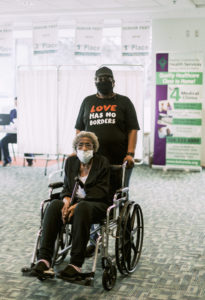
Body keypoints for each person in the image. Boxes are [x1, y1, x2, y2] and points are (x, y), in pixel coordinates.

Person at [75, 66, 140, 255]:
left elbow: (133, 129)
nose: (102, 81)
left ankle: (125, 239)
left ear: (113, 81)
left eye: (106, 78)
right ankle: (94, 240)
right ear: (94, 81)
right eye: (99, 78)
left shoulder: (124, 102)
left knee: (119, 199)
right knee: (93, 197)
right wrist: (77, 150)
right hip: (92, 163)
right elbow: (80, 128)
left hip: (119, 163)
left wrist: (130, 153)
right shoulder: (87, 101)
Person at [30, 131, 110, 279]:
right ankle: (44, 260)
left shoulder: (102, 162)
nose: (84, 148)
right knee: (54, 205)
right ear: (76, 148)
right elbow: (67, 187)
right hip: (75, 203)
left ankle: (75, 265)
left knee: (82, 207)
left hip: (96, 204)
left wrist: (76, 206)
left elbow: (101, 191)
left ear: (94, 148)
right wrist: (67, 202)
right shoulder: (71, 162)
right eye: (81, 145)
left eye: (88, 145)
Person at [0, 97, 33, 167]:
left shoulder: (26, 111)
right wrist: (4, 127)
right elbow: (11, 124)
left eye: (17, 102)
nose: (16, 103)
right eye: (15, 102)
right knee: (3, 141)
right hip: (13, 134)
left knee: (25, 142)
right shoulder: (12, 111)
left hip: (23, 134)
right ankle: (7, 160)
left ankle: (30, 160)